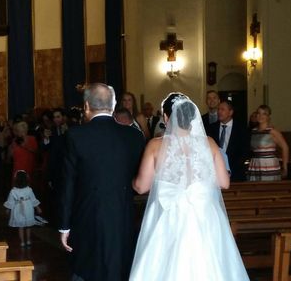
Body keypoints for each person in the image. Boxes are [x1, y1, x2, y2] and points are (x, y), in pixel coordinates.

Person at [130, 93, 249, 281]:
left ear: (167, 117)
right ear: (193, 118)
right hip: (204, 214)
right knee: (208, 263)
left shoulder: (155, 145)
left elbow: (141, 187)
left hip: (169, 215)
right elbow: (224, 183)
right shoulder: (209, 143)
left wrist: (132, 179)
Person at [59, 83, 145, 281]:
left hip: (87, 213)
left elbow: (68, 183)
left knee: (88, 268)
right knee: (119, 266)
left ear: (87, 106)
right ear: (114, 105)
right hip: (122, 213)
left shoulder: (75, 135)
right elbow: (139, 179)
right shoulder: (133, 136)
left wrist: (64, 226)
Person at [206, 100, 251, 182]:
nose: (219, 112)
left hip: (236, 172)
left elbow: (245, 150)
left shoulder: (241, 128)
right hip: (215, 172)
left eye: (222, 109)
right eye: (218, 109)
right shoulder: (211, 128)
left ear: (230, 112)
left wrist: (230, 167)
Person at [247, 105, 289, 181]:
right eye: (258, 113)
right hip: (255, 164)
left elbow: (285, 147)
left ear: (268, 117)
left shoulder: (272, 131)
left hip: (269, 165)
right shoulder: (253, 131)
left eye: (264, 114)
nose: (260, 116)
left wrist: (285, 167)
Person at [4, 170, 43, 248]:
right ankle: (28, 240)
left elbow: (10, 202)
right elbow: (33, 199)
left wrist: (8, 209)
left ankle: (22, 242)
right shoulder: (29, 190)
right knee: (28, 226)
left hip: (17, 209)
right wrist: (38, 208)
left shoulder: (13, 191)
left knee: (20, 227)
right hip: (28, 208)